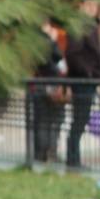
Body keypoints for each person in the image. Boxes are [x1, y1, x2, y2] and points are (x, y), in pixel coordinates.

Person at [63, 0, 100, 168]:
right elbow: (72, 54)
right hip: (82, 81)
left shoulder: (90, 27)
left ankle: (74, 158)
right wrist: (88, 73)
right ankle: (72, 158)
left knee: (81, 120)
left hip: (89, 79)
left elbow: (95, 56)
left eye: (94, 6)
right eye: (87, 6)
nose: (90, 9)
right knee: (79, 120)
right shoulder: (79, 28)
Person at [30, 20, 65, 162]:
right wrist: (53, 40)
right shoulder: (47, 41)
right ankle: (50, 152)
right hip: (50, 83)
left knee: (41, 120)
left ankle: (40, 154)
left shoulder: (30, 41)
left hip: (37, 84)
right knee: (54, 119)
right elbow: (57, 58)